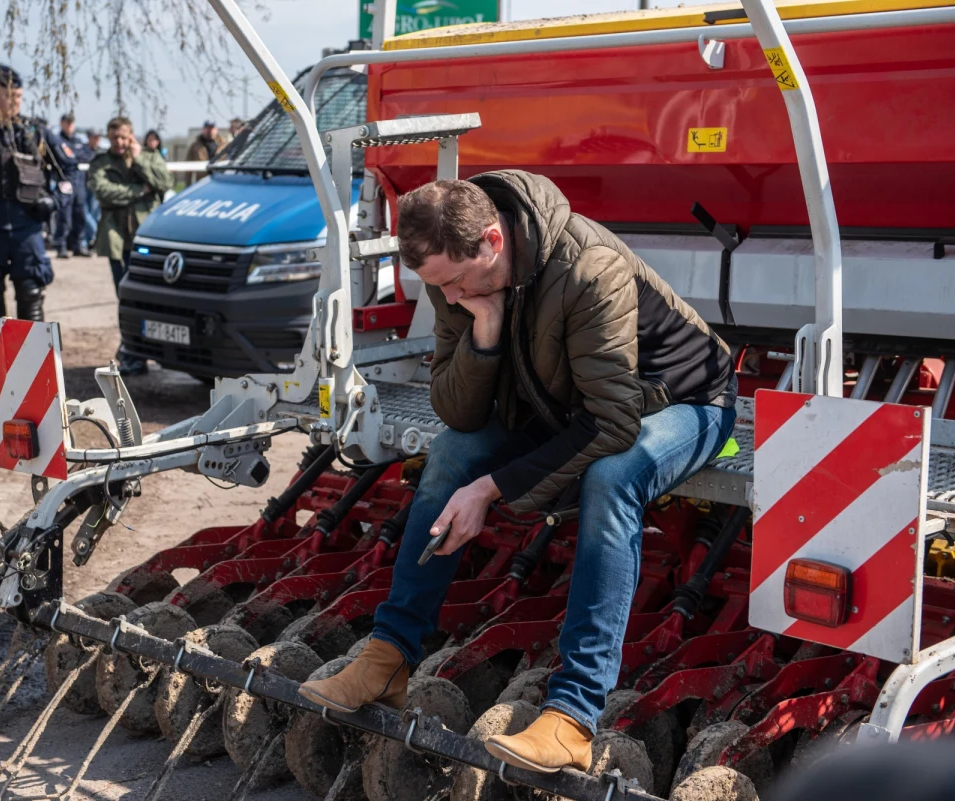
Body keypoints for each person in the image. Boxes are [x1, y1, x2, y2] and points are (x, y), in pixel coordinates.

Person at [297, 172, 737, 774]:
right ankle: (390, 655)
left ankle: (573, 717)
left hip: (682, 402)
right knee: (452, 455)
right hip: (570, 403)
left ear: (491, 242)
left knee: (613, 478)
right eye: (438, 289)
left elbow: (612, 424)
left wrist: (493, 487)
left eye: (453, 284)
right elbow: (458, 413)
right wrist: (483, 335)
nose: (447, 299)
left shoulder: (590, 269)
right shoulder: (455, 279)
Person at [0, 65, 74, 382]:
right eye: (7, 95)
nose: (14, 102)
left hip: (27, 229)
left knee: (30, 290)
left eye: (18, 95)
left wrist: (55, 202)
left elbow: (69, 174)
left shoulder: (35, 132)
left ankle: (35, 361)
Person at [87, 116, 173, 376]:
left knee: (150, 299)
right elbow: (103, 192)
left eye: (124, 137)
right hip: (116, 240)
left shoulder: (148, 156)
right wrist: (140, 190)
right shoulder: (101, 162)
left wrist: (140, 160)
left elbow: (165, 183)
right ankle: (132, 351)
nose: (120, 143)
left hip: (145, 239)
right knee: (125, 299)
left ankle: (147, 351)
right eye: (114, 138)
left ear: (132, 136)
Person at [52, 112, 93, 258]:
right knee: (64, 216)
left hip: (79, 182)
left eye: (71, 123)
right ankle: (61, 246)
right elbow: (64, 158)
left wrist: (73, 157)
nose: (69, 125)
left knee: (81, 215)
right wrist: (73, 158)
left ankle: (78, 245)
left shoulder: (78, 140)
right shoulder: (57, 140)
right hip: (65, 181)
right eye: (67, 122)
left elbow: (87, 155)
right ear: (62, 123)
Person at [182, 119, 224, 185]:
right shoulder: (195, 146)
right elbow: (188, 168)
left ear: (216, 130)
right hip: (202, 182)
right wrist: (188, 185)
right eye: (207, 128)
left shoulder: (224, 145)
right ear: (203, 129)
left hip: (220, 182)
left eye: (212, 128)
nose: (210, 131)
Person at [82, 128, 103, 246]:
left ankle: (89, 241)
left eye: (98, 137)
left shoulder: (100, 152)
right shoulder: (84, 151)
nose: (97, 140)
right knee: (85, 214)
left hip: (96, 188)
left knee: (95, 215)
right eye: (94, 137)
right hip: (84, 186)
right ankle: (94, 235)